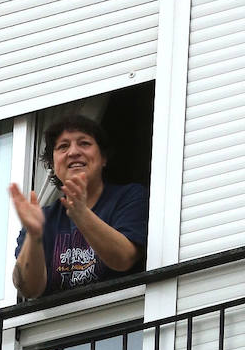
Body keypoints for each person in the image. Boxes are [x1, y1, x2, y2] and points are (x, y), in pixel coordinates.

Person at [9, 114, 149, 298]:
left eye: (84, 143)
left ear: (103, 158)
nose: (73, 152)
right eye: (63, 146)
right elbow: (28, 289)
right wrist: (34, 235)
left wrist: (82, 215)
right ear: (52, 164)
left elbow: (124, 258)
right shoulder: (43, 219)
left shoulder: (129, 197)